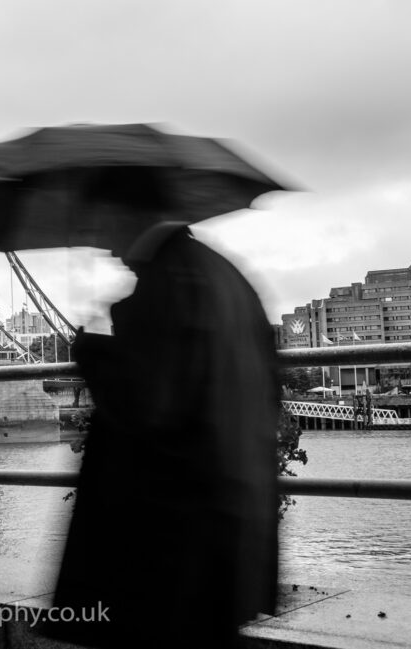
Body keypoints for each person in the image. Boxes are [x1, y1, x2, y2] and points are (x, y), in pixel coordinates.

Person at [44, 171, 280, 648]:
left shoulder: (164, 285)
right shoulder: (226, 275)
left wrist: (93, 352)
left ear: (126, 213)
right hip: (230, 518)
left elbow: (150, 409)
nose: (101, 241)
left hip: (167, 535)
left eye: (100, 222)